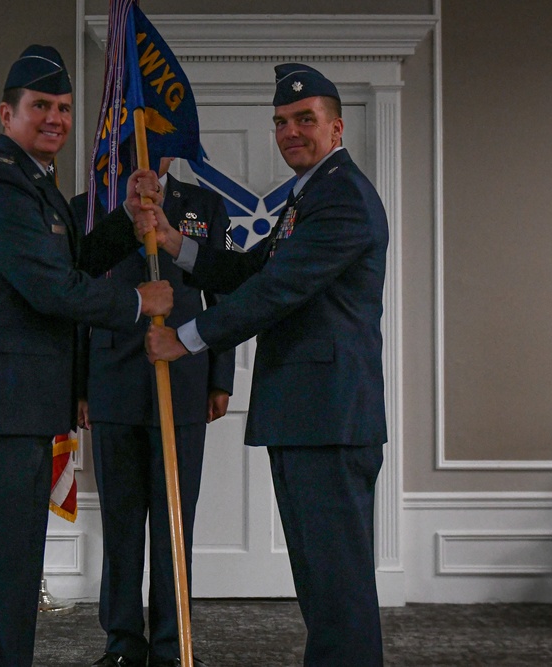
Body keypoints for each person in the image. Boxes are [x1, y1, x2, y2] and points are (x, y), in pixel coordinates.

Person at [0, 45, 172, 667]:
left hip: (18, 411)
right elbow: (51, 288)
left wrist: (125, 217)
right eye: (41, 106)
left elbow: (73, 260)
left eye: (64, 107)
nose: (56, 118)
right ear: (7, 113)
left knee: (10, 575)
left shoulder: (34, 183)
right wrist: (136, 303)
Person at [143, 64, 388, 666]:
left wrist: (187, 338)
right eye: (281, 122)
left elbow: (278, 291)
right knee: (323, 588)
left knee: (338, 590)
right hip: (308, 416)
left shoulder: (343, 196)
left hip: (330, 418)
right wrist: (175, 242)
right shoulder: (312, 195)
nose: (290, 132)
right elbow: (253, 270)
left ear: (336, 127)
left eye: (305, 120)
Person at [71, 158, 235, 667]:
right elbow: (74, 298)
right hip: (113, 382)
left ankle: (171, 645)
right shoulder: (90, 209)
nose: (146, 151)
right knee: (121, 525)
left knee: (173, 524)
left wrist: (220, 378)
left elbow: (222, 293)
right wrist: (79, 385)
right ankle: (122, 644)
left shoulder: (204, 206)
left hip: (184, 382)